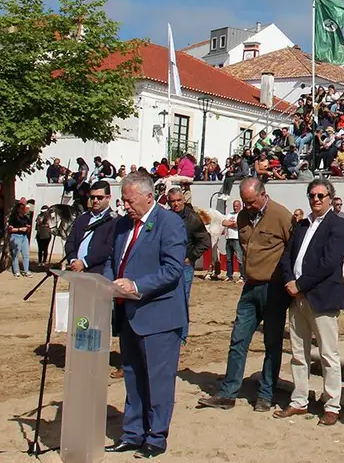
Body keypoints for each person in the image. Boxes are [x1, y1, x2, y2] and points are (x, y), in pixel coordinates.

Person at [103, 173, 189, 458]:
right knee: (132, 377)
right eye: (123, 200)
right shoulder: (121, 226)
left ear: (149, 196)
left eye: (130, 200)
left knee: (158, 381)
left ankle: (156, 436)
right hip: (128, 314)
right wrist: (104, 285)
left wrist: (137, 286)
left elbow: (172, 269)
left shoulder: (170, 223)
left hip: (159, 315)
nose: (125, 205)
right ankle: (132, 433)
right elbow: (113, 262)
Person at [198, 178, 295, 412]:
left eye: (251, 201)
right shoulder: (243, 217)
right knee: (238, 339)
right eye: (244, 201)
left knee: (272, 343)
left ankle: (265, 394)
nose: (247, 205)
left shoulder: (282, 215)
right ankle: (228, 393)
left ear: (263, 195)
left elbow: (293, 249)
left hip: (274, 289)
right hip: (250, 287)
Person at [275, 178, 344, 426]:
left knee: (328, 353)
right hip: (296, 297)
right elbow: (287, 256)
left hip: (321, 296)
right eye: (312, 195)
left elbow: (329, 262)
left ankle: (332, 404)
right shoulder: (302, 225)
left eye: (320, 195)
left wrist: (301, 284)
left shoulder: (338, 225)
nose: (316, 199)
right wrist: (289, 281)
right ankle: (299, 400)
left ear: (330, 198)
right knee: (298, 352)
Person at [165, 187, 211, 308]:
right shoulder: (165, 217)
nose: (176, 204)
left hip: (184, 266)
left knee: (182, 299)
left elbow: (205, 241)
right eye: (173, 201)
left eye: (178, 200)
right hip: (167, 264)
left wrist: (190, 258)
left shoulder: (193, 218)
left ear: (184, 200)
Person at [63, 181, 119, 274]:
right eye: (92, 197)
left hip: (98, 273)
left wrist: (84, 263)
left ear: (108, 198)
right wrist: (73, 260)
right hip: (76, 271)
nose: (95, 200)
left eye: (100, 197)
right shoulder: (81, 218)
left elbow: (108, 248)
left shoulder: (115, 220)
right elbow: (70, 242)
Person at [7, 200, 33, 277]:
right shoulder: (14, 218)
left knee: (26, 255)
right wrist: (20, 229)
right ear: (18, 209)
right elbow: (10, 229)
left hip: (24, 237)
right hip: (16, 236)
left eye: (23, 208)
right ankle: (16, 271)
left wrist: (28, 228)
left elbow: (28, 229)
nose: (23, 209)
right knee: (15, 254)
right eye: (21, 208)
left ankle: (26, 270)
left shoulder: (26, 218)